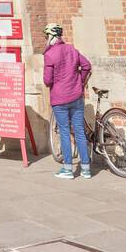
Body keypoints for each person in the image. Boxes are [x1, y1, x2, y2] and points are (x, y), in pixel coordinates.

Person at [43, 21, 92, 180]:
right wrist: (80, 81)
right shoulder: (72, 49)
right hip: (76, 96)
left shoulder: (49, 54)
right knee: (79, 131)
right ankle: (86, 169)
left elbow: (47, 80)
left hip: (60, 99)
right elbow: (86, 65)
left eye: (46, 36)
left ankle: (68, 169)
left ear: (50, 37)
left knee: (64, 132)